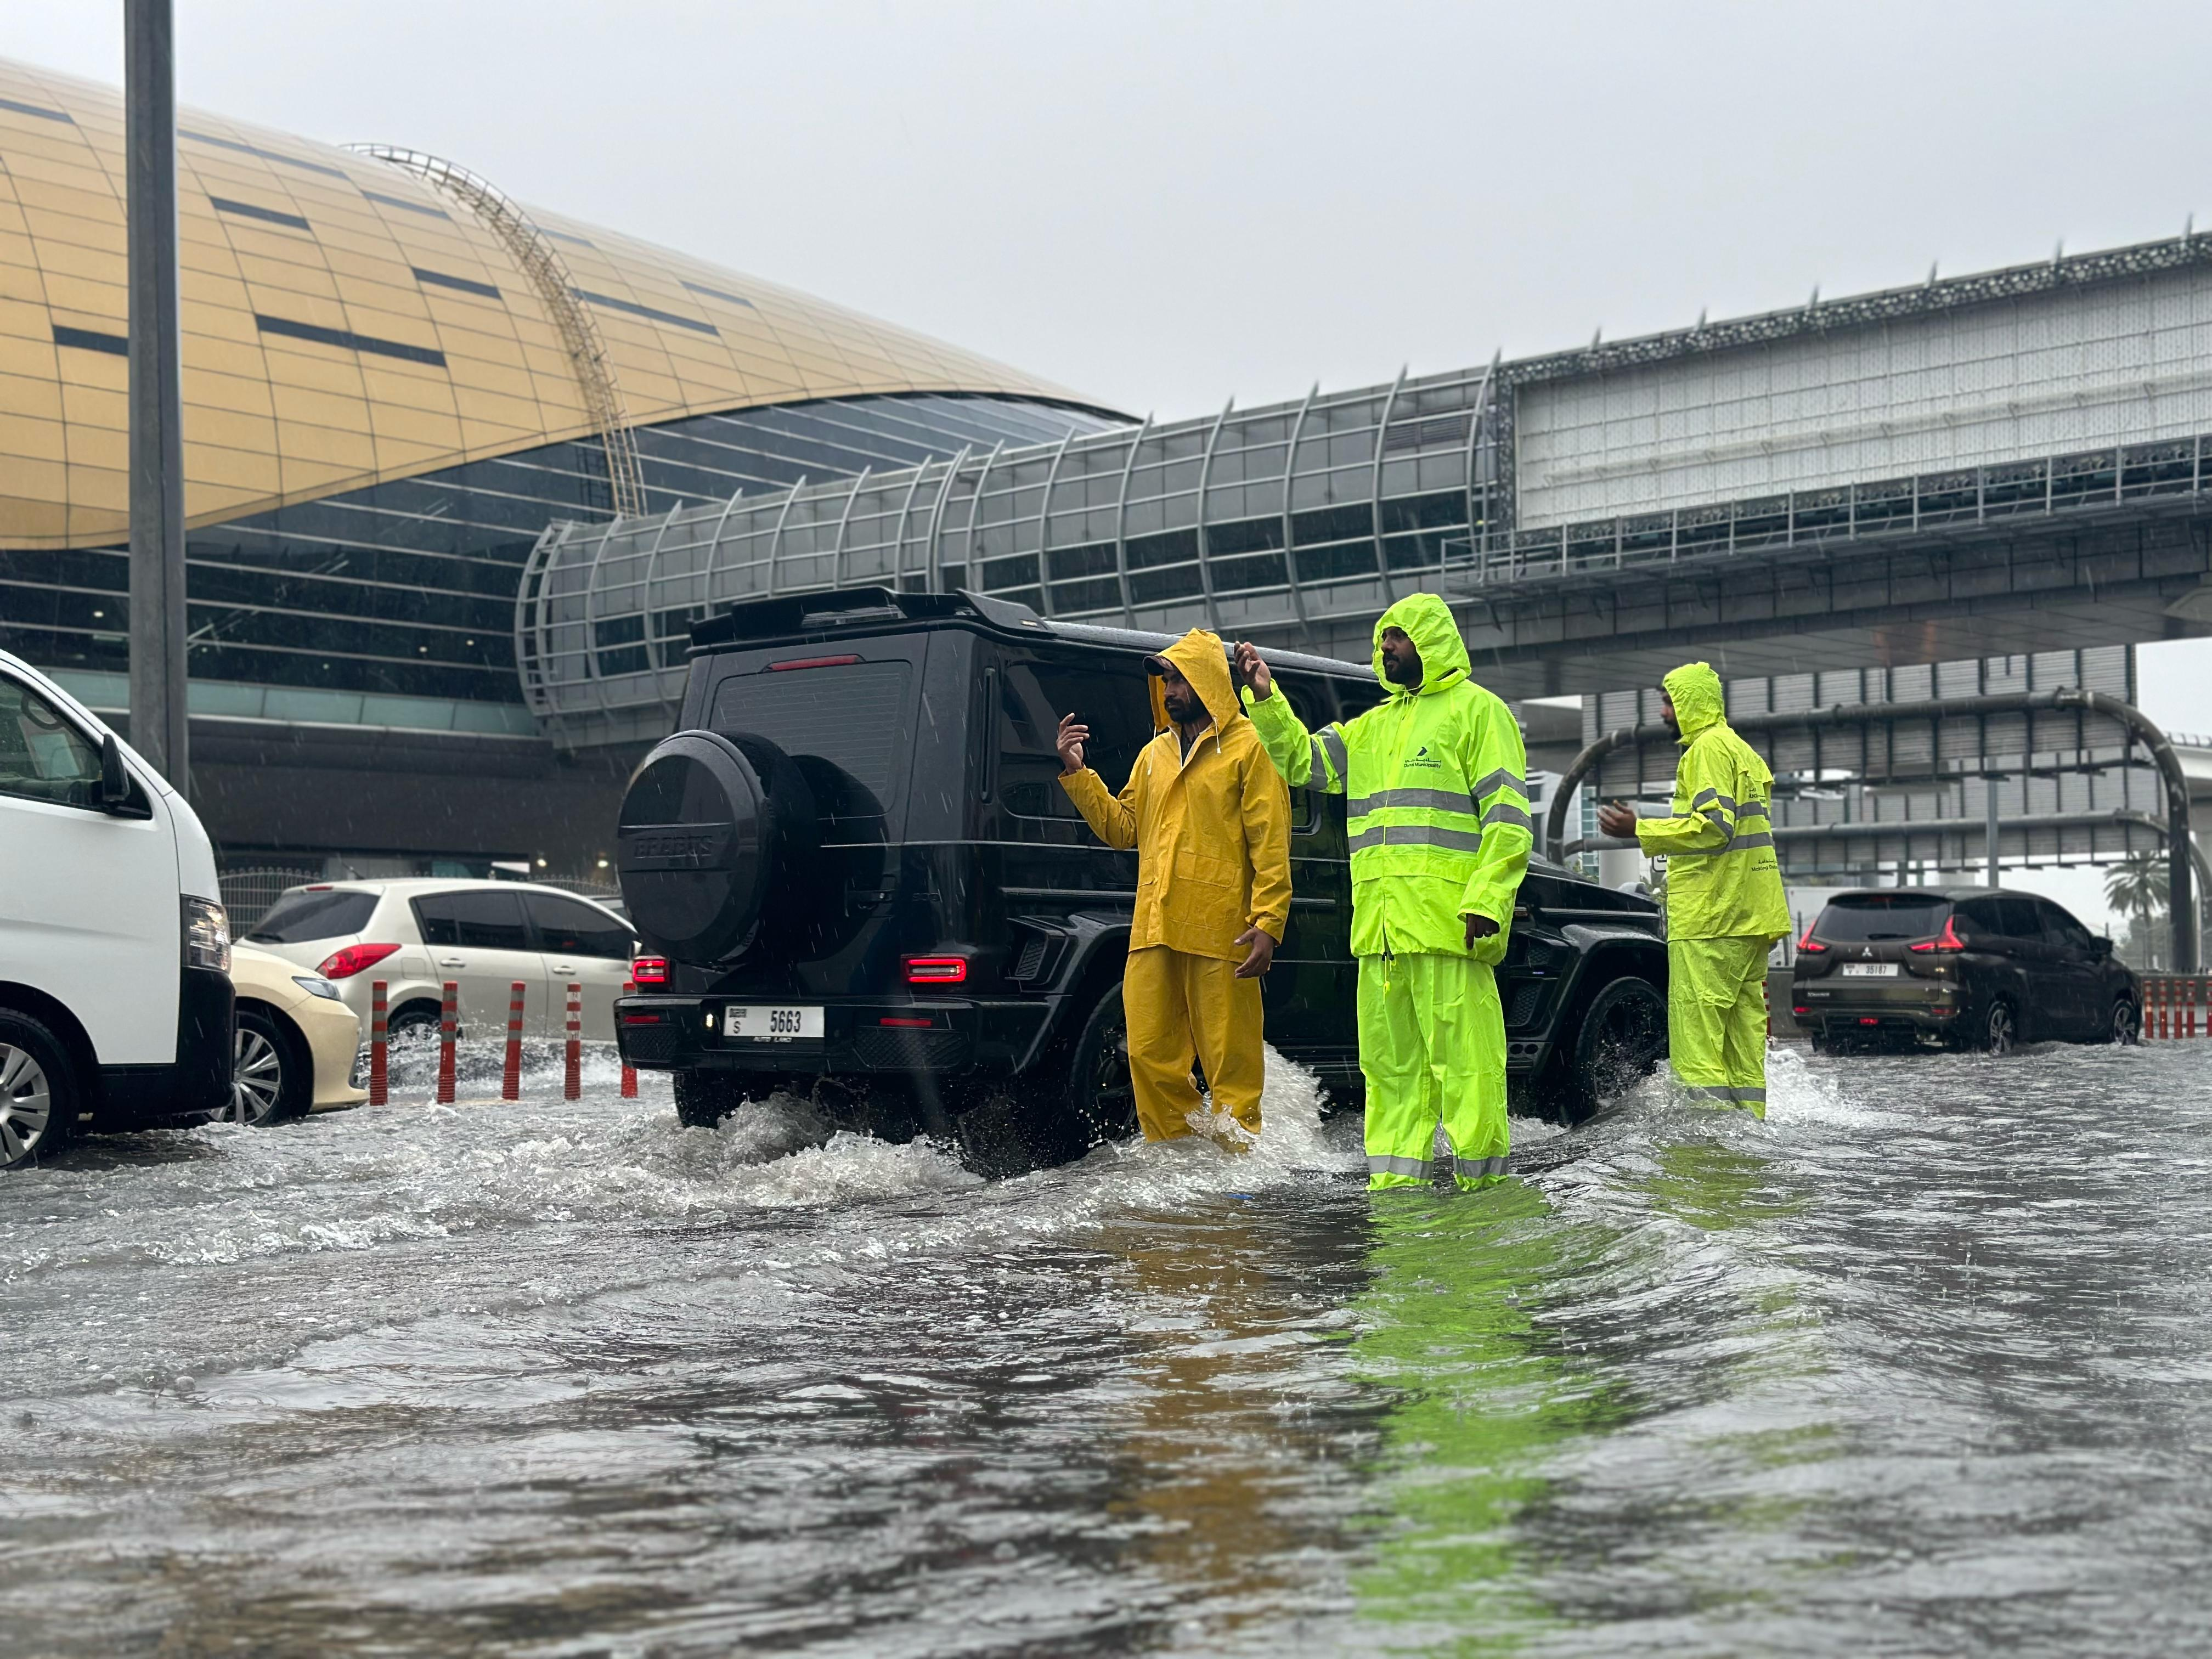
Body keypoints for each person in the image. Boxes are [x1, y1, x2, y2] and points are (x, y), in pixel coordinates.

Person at [1232, 594, 1532, 1190]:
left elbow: (1508, 817)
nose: (1385, 647)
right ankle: (1397, 1201)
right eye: (1383, 638)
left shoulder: (1479, 713)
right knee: (1391, 1076)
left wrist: (1489, 900)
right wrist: (1267, 698)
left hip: (1449, 929)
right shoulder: (1370, 729)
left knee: (1469, 1074)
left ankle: (1486, 1203)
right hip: (1382, 936)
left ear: (1431, 642)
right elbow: (1303, 763)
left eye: (1397, 637)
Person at [1056, 628, 1292, 1142]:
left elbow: (1270, 842)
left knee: (1231, 1061)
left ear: (1207, 680)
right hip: (1155, 927)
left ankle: (1240, 1173)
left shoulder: (1248, 748)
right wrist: (1079, 775)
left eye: (1180, 679)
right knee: (1148, 1055)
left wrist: (1268, 923)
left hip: (1222, 928)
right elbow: (1124, 829)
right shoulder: (1154, 755)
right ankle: (1177, 1163)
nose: (1170, 691)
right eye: (1166, 681)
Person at [1596, 662, 1791, 1116]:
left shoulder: (1704, 751)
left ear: (1691, 703)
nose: (1665, 713)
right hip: (1750, 914)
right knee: (1742, 1041)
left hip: (1711, 918)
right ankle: (1747, 1139)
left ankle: (1706, 1151)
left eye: (1669, 702)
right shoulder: (1741, 751)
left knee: (1698, 1040)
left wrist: (1640, 829)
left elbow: (1715, 828)